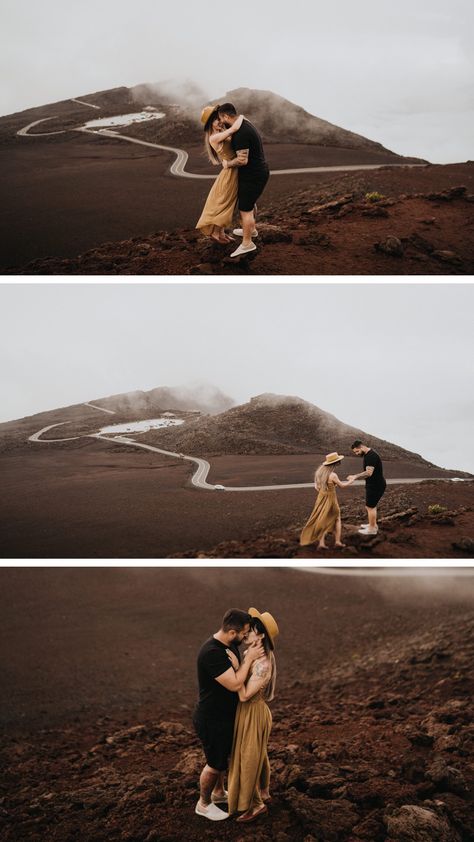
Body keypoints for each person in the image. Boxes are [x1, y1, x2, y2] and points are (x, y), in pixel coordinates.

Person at [193, 609, 264, 822]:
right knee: (214, 764)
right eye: (243, 633)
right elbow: (234, 684)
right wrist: (250, 658)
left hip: (223, 716)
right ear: (232, 632)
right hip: (211, 719)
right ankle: (204, 804)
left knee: (222, 758)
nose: (245, 637)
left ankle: (218, 793)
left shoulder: (229, 645)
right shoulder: (211, 653)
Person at [227, 608, 279, 823]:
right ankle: (264, 791)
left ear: (262, 635)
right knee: (258, 753)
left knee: (249, 757)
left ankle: (255, 804)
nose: (246, 634)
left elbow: (245, 695)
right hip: (250, 712)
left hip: (253, 712)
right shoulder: (252, 654)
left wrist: (235, 669)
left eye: (252, 631)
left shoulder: (262, 663)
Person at [217, 103, 270, 259]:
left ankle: (247, 243)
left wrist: (227, 164)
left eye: (221, 118)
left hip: (253, 174)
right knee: (250, 203)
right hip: (258, 172)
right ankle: (251, 230)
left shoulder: (241, 133)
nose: (221, 121)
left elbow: (242, 160)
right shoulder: (245, 123)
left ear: (226, 116)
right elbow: (240, 119)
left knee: (245, 209)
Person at [195, 106, 245, 243]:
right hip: (230, 173)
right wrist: (241, 118)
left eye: (220, 118)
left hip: (232, 169)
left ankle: (221, 232)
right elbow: (234, 129)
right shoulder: (214, 137)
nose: (220, 121)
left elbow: (226, 151)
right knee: (224, 203)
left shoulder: (220, 132)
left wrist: (226, 160)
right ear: (210, 123)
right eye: (217, 120)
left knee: (228, 203)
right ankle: (216, 233)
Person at [300, 452, 355, 549]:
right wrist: (351, 480)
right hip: (331, 499)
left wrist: (324, 491)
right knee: (337, 519)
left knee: (322, 518)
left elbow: (316, 487)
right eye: (338, 461)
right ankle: (337, 542)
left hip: (321, 498)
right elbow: (342, 486)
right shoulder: (333, 475)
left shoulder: (319, 473)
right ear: (336, 463)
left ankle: (321, 544)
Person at [348, 440, 387, 535]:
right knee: (370, 506)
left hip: (376, 485)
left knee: (370, 507)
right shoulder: (368, 454)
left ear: (361, 447)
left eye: (357, 451)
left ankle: (372, 529)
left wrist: (355, 476)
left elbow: (369, 473)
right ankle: (372, 524)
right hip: (374, 485)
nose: (357, 454)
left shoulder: (371, 456)